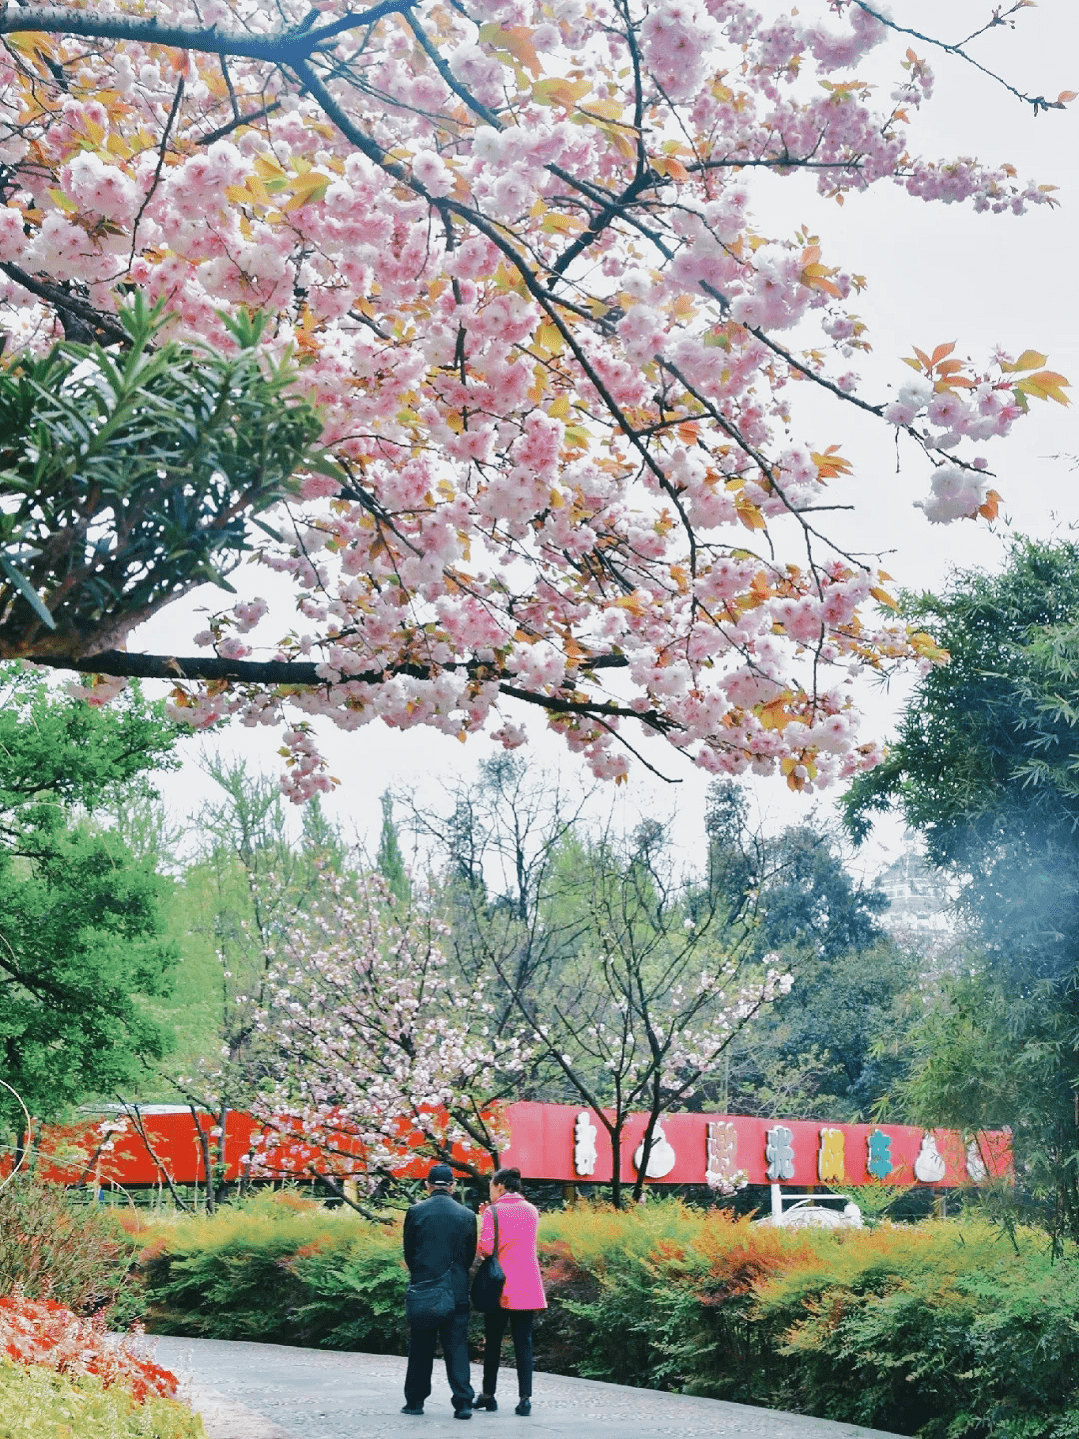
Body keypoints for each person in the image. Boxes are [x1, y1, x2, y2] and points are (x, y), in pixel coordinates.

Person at [402, 1162, 477, 1419]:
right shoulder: (466, 1215)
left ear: (427, 1185)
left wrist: (422, 1273)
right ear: (453, 1186)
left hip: (424, 1287)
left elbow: (409, 1253)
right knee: (456, 1346)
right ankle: (464, 1403)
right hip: (455, 1290)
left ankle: (415, 1401)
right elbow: (469, 1256)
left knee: (421, 1346)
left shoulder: (415, 1212)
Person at [473, 1166, 546, 1417]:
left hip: (499, 1285)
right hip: (527, 1285)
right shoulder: (532, 1211)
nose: (491, 1192)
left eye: (492, 1187)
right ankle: (525, 1399)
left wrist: (484, 1220)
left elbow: (485, 1249)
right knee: (524, 1343)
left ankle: (488, 1396)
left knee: (493, 1341)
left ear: (501, 1186)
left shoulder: (493, 1211)